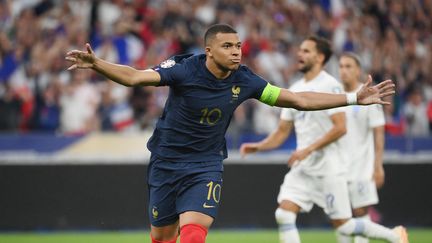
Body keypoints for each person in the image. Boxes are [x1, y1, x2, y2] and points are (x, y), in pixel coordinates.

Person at [65, 24, 396, 243]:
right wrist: (98, 64)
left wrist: (354, 98)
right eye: (227, 46)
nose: (237, 51)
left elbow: (296, 99)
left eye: (238, 45)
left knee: (193, 235)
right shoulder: (183, 69)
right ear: (209, 51)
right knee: (162, 238)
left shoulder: (246, 80)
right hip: (166, 162)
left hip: (205, 165)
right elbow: (136, 77)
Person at [240, 37, 408, 243]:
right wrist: (258, 146)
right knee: (283, 214)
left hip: (330, 167)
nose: (300, 54)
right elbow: (282, 132)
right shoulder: (294, 88)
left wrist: (308, 149)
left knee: (344, 226)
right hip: (304, 167)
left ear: (320, 57)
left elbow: (340, 127)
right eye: (300, 50)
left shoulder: (331, 85)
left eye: (306, 51)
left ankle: (394, 235)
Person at [336, 52, 387, 243]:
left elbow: (379, 132)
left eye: (348, 66)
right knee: (340, 216)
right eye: (341, 66)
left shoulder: (369, 96)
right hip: (337, 167)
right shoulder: (334, 95)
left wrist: (378, 165)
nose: (344, 70)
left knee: (360, 212)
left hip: (361, 167)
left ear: (358, 70)